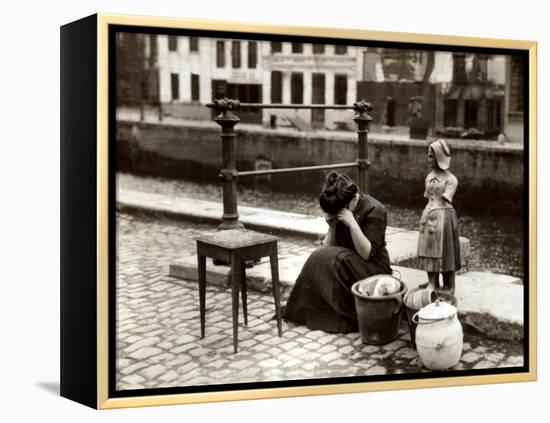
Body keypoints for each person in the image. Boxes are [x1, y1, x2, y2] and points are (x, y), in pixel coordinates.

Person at [282, 171, 392, 333]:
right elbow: (329, 248)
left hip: (372, 267)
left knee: (329, 258)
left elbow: (366, 254)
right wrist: (332, 225)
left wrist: (352, 224)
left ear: (354, 199)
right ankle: (300, 310)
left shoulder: (375, 209)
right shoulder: (340, 206)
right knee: (318, 257)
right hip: (347, 263)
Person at [417, 139, 461, 294]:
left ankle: (449, 285)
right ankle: (432, 282)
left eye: (431, 156)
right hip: (429, 215)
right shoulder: (429, 177)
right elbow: (428, 196)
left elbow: (446, 197)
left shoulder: (451, 179)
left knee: (446, 251)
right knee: (428, 250)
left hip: (444, 217)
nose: (428, 159)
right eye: (428, 156)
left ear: (438, 157)